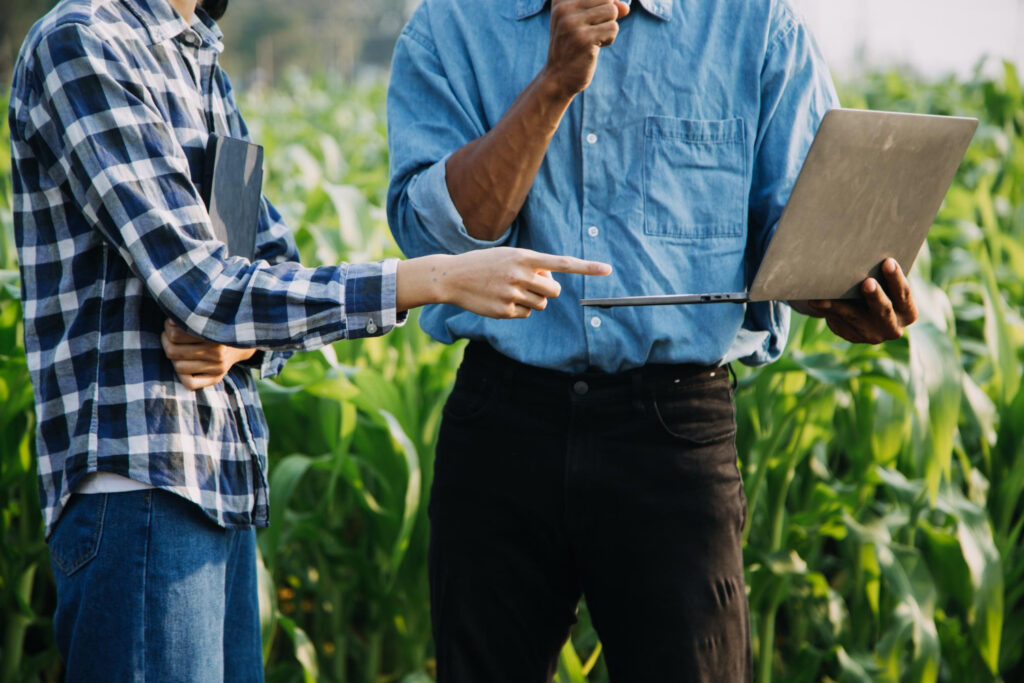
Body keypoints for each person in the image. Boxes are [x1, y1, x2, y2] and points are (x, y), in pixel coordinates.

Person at [8, 0, 611, 679]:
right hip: (138, 488)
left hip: (219, 488)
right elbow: (202, 285)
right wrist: (436, 277)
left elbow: (267, 269)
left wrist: (243, 344)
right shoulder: (85, 42)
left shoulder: (194, 56)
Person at [386, 0, 918, 680]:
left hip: (674, 435)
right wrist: (554, 82)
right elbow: (436, 244)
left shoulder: (755, 24)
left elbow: (799, 238)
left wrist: (844, 291)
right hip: (501, 424)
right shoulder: (451, 25)